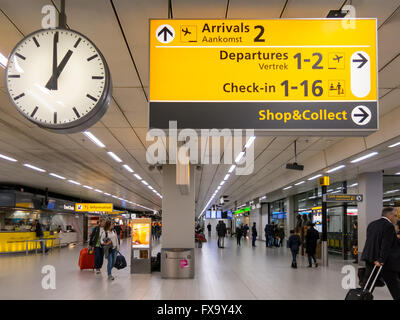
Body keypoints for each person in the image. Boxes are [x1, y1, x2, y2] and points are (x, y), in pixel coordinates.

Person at [361, 207, 400, 300]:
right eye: (395, 216)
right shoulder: (389, 226)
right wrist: (381, 260)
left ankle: (361, 298)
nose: (397, 218)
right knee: (394, 285)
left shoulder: (372, 224)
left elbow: (372, 242)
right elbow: (385, 244)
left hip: (371, 258)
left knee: (367, 284)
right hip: (384, 262)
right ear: (389, 215)